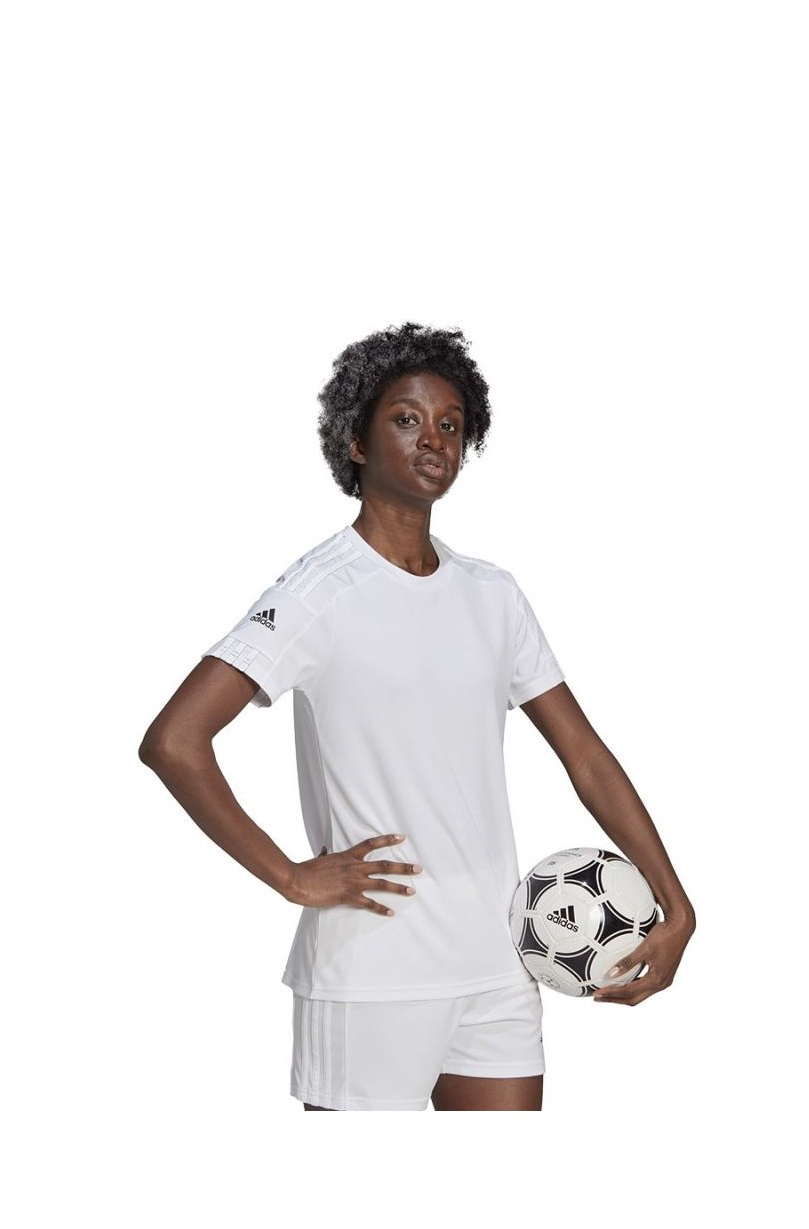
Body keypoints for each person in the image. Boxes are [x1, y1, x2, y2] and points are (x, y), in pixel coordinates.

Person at [138, 321, 695, 1112]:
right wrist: (289, 876)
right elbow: (174, 741)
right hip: (373, 972)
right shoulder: (318, 592)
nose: (434, 439)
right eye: (406, 419)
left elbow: (586, 757)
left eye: (451, 425)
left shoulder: (492, 595)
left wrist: (677, 903)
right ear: (355, 441)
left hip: (499, 962)